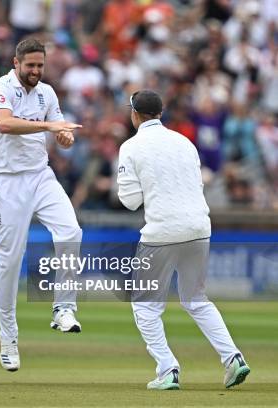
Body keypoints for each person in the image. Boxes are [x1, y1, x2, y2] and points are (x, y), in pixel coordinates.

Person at [117, 89, 250, 390]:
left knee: (145, 306)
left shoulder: (130, 146)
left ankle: (167, 370)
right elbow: (196, 184)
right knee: (197, 299)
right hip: (199, 228)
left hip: (162, 231)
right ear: (160, 114)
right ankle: (233, 358)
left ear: (134, 114)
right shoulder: (184, 142)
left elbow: (130, 201)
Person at [0, 38, 83, 372]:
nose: (36, 72)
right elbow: (4, 124)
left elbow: (61, 134)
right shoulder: (0, 90)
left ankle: (63, 308)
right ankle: (8, 339)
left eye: (40, 66)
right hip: (9, 181)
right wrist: (50, 127)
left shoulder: (47, 93)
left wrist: (63, 137)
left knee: (70, 231)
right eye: (30, 66)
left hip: (41, 176)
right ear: (16, 63)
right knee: (10, 262)